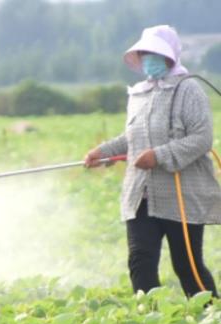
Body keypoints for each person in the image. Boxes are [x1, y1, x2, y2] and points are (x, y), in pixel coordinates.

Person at [84, 25, 221, 298]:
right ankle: (150, 319)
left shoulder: (188, 89)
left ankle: (213, 318)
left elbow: (201, 138)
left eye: (156, 53)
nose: (150, 58)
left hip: (182, 194)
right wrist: (102, 151)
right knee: (140, 260)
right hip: (141, 194)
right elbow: (132, 138)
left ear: (171, 56)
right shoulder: (138, 94)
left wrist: (159, 156)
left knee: (187, 266)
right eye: (145, 53)